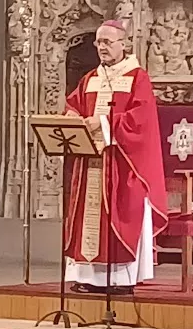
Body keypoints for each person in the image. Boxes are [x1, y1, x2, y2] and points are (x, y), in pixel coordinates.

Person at [63, 20, 168, 293]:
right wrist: (73, 116)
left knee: (123, 214)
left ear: (124, 44)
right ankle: (89, 278)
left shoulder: (136, 77)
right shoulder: (90, 78)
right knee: (89, 220)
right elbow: (73, 105)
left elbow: (141, 121)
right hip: (92, 161)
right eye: (98, 42)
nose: (102, 48)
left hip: (122, 164)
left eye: (107, 42)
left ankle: (121, 281)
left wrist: (104, 123)